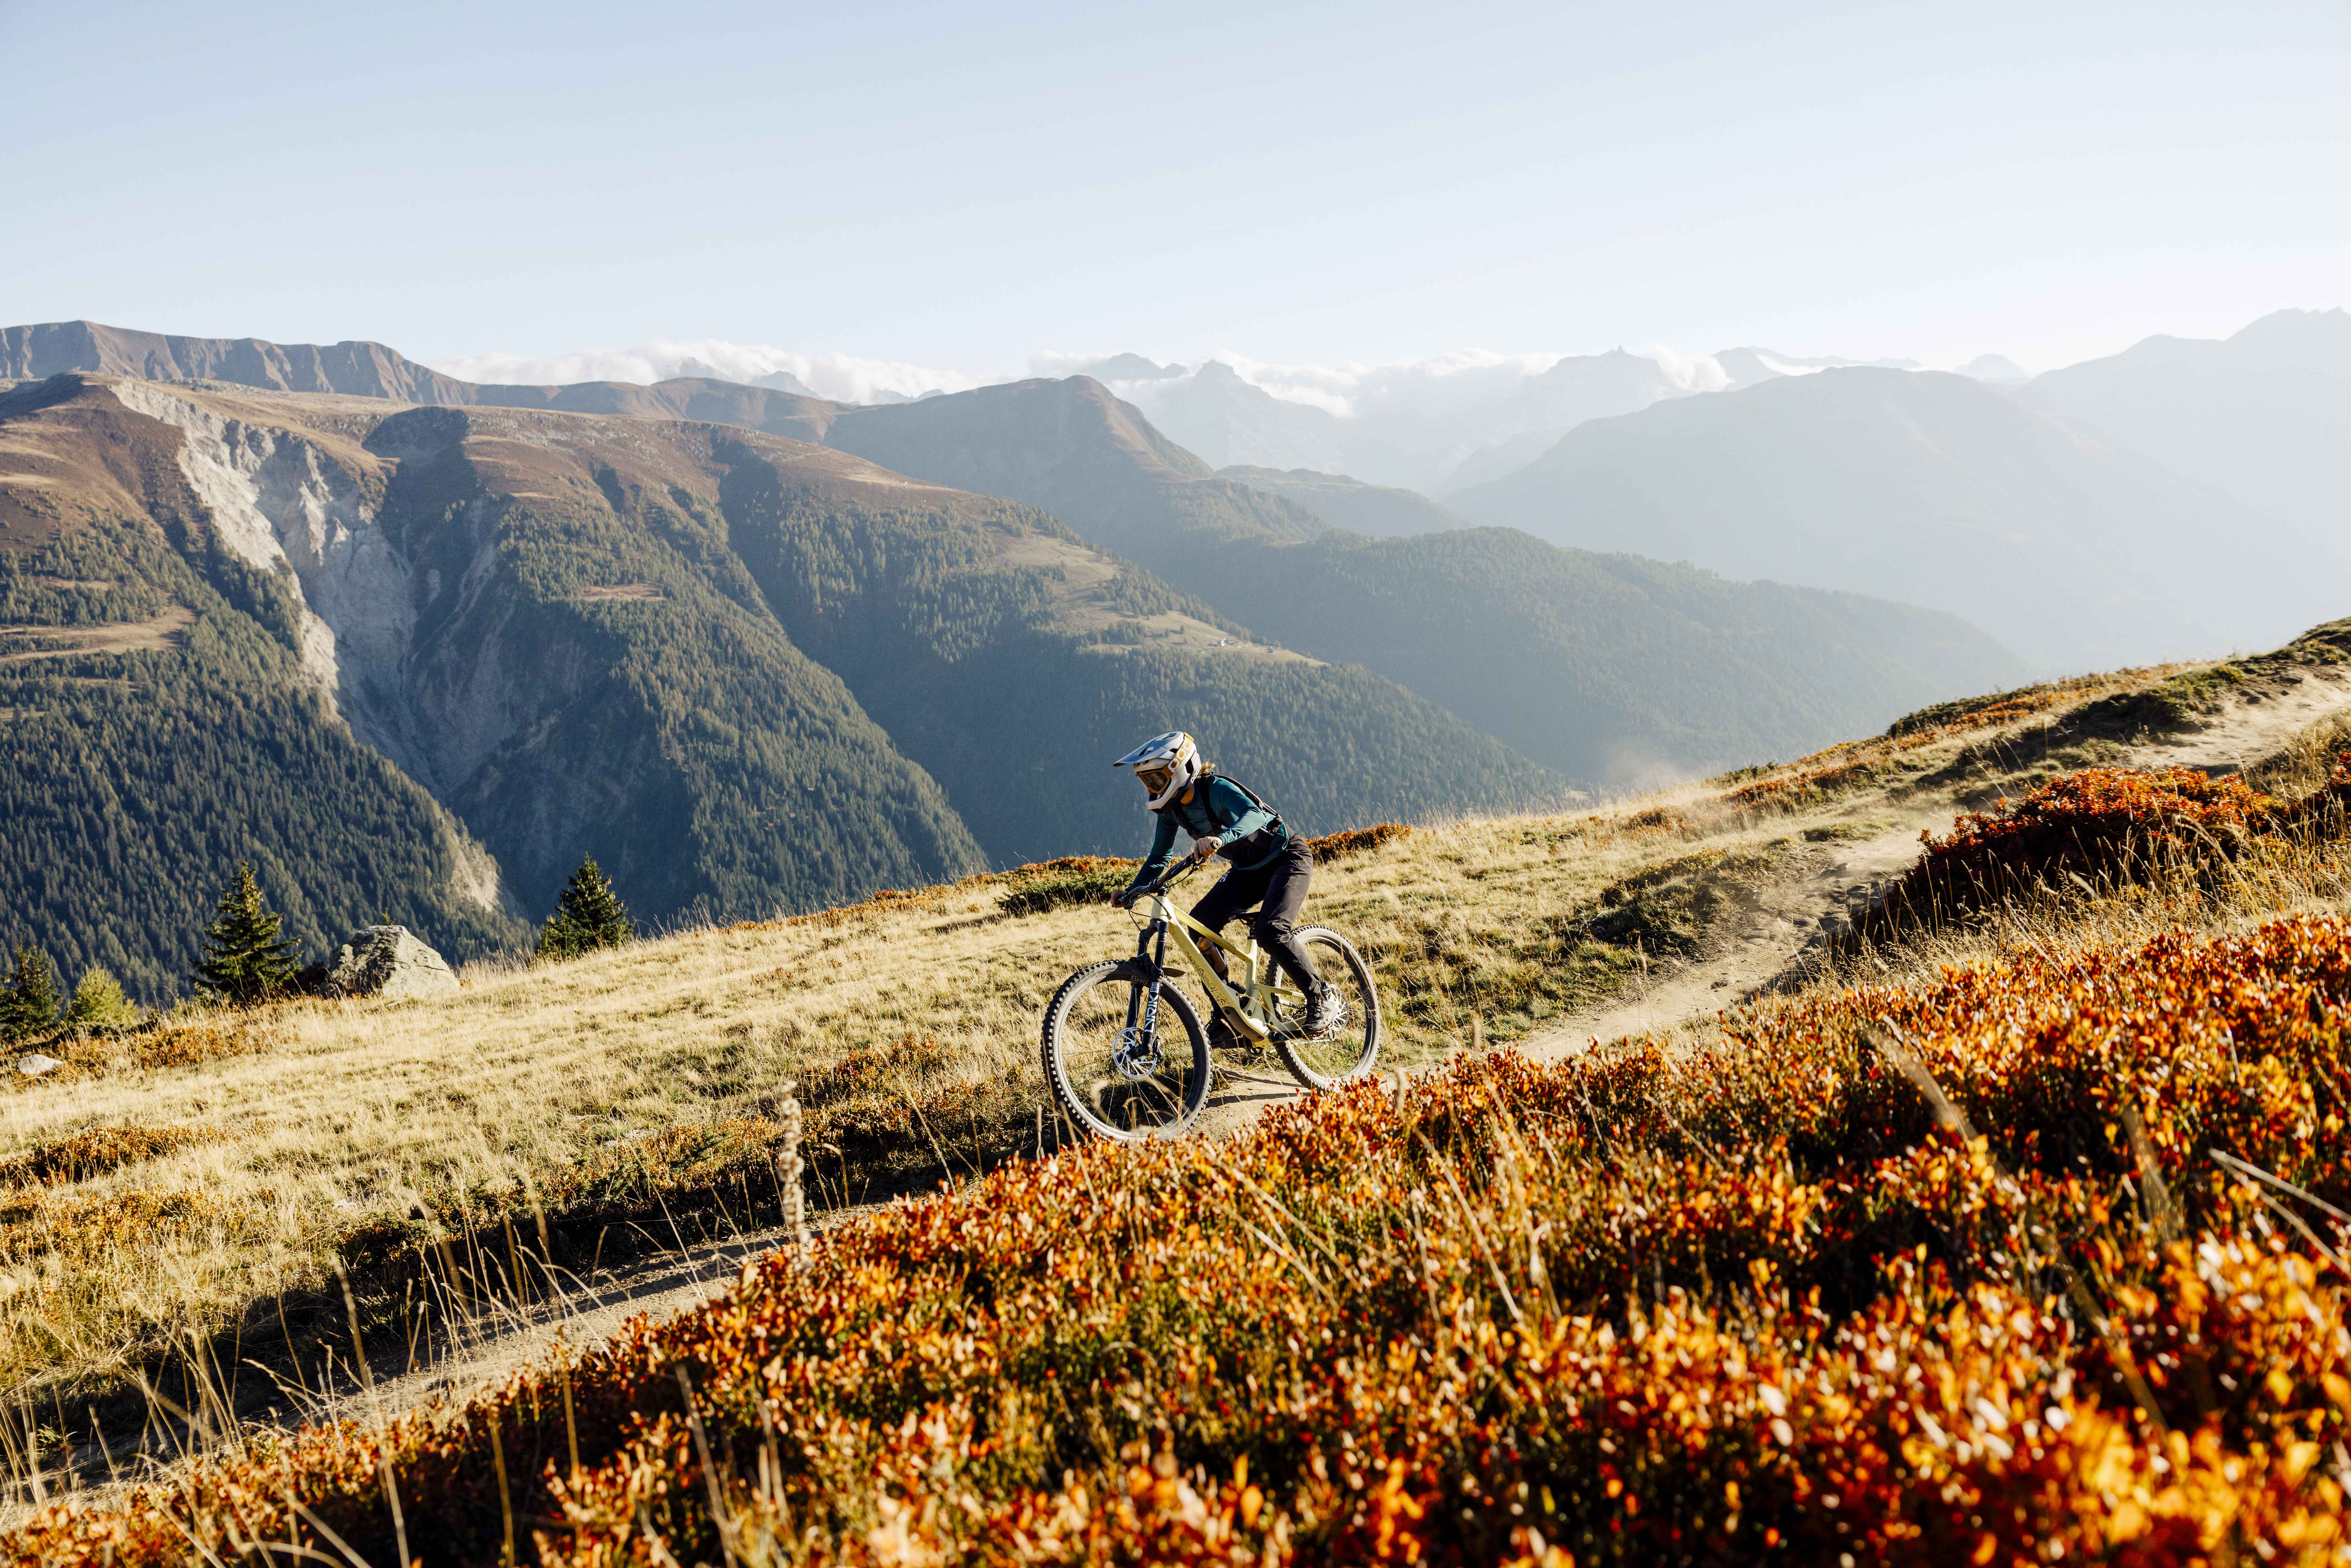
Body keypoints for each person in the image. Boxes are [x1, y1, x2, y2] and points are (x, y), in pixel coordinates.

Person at [1109, 731, 1341, 1035]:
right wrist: (1132, 891)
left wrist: (1220, 838)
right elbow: (1158, 858)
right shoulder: (1171, 812)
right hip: (1248, 871)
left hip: (1287, 857)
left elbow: (1253, 815)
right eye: (1147, 782)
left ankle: (1320, 997)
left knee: (1271, 932)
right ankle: (1227, 1012)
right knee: (1197, 931)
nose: (1152, 788)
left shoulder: (1215, 788)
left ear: (1179, 769)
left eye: (1156, 780)